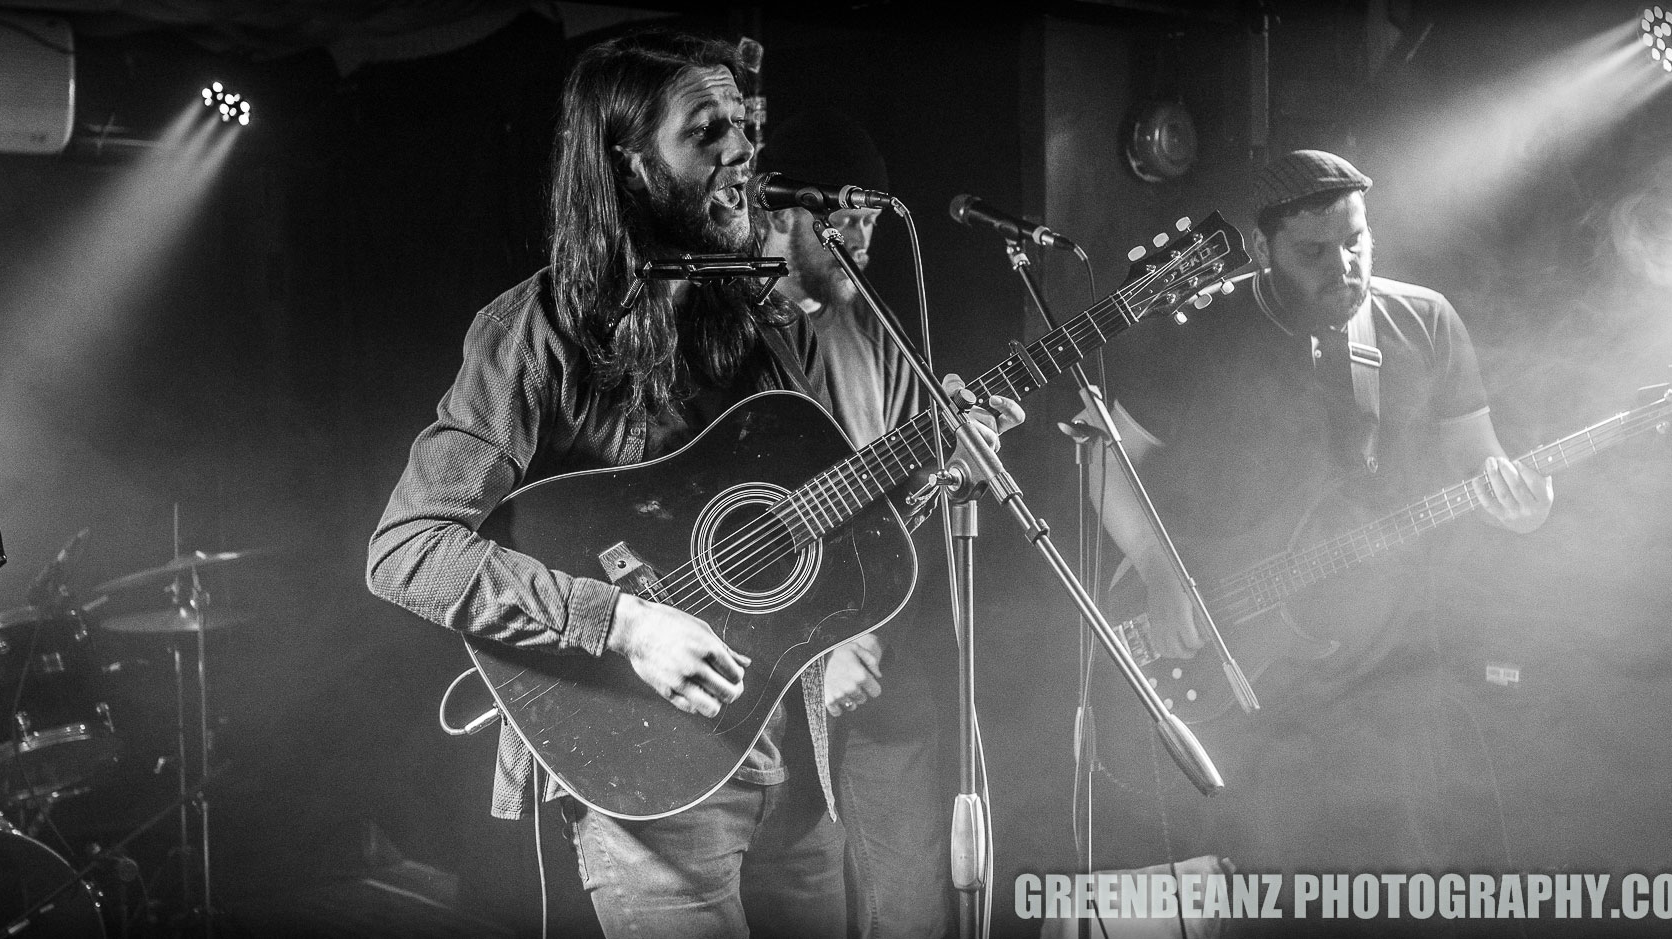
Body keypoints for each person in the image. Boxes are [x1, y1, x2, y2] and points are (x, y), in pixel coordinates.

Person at [367, 29, 1017, 938]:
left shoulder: (757, 320)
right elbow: (408, 550)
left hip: (796, 755)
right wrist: (626, 622)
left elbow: (803, 531)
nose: (742, 152)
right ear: (629, 162)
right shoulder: (535, 332)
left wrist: (928, 475)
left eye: (742, 128)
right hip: (646, 779)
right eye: (705, 131)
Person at [1081, 150, 1552, 876]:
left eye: (1357, 241)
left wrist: (1524, 506)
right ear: (1260, 247)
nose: (1344, 266)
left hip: (1395, 663)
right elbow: (1107, 458)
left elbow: (1482, 463)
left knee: (1404, 885)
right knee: (1282, 883)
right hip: (1257, 669)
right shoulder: (1198, 332)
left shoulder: (1425, 319)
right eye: (1313, 251)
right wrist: (1160, 570)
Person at [756, 110, 952, 939]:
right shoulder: (727, 335)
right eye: (845, 214)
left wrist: (954, 463)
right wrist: (819, 638)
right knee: (796, 904)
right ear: (783, 212)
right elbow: (730, 531)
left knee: (908, 905)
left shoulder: (868, 323)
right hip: (771, 684)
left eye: (874, 213)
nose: (865, 233)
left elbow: (903, 489)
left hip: (879, 665)